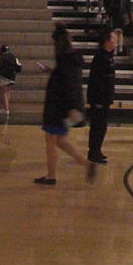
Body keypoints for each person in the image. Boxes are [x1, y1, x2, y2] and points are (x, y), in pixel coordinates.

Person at [35, 25, 95, 185]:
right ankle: (87, 164)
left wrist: (71, 108)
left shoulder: (64, 60)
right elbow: (67, 79)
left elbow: (68, 85)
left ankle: (51, 176)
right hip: (66, 109)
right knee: (61, 140)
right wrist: (51, 71)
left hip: (59, 109)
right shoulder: (71, 59)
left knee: (51, 140)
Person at [87, 29, 116, 163]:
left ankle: (97, 150)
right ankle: (93, 151)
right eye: (113, 39)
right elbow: (96, 80)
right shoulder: (100, 57)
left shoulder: (109, 56)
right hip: (99, 99)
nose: (115, 42)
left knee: (102, 126)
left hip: (105, 99)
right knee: (97, 126)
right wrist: (97, 100)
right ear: (107, 42)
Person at [0, 44, 20, 115]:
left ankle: (6, 109)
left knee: (4, 92)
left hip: (3, 76)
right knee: (8, 92)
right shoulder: (13, 57)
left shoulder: (0, 57)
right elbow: (19, 67)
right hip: (12, 76)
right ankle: (7, 107)